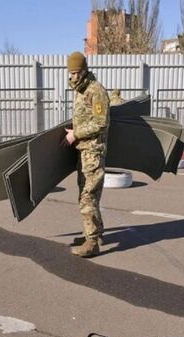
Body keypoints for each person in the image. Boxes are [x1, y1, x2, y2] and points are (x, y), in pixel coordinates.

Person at [63, 51, 110, 258]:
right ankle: (95, 234)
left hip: (93, 152)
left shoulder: (95, 91)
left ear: (84, 70)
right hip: (84, 152)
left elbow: (101, 122)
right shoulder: (81, 90)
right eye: (70, 73)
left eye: (76, 73)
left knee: (87, 197)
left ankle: (92, 242)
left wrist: (76, 134)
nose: (73, 78)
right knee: (88, 194)